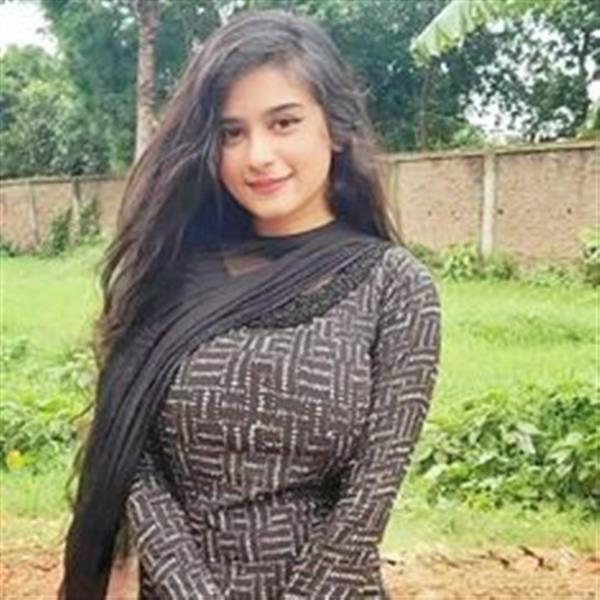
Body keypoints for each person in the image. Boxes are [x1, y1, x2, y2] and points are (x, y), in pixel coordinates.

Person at [59, 8, 441, 600]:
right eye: (232, 133)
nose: (257, 154)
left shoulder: (394, 287)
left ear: (335, 128)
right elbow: (133, 458)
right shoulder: (172, 271)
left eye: (284, 122)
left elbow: (367, 503)